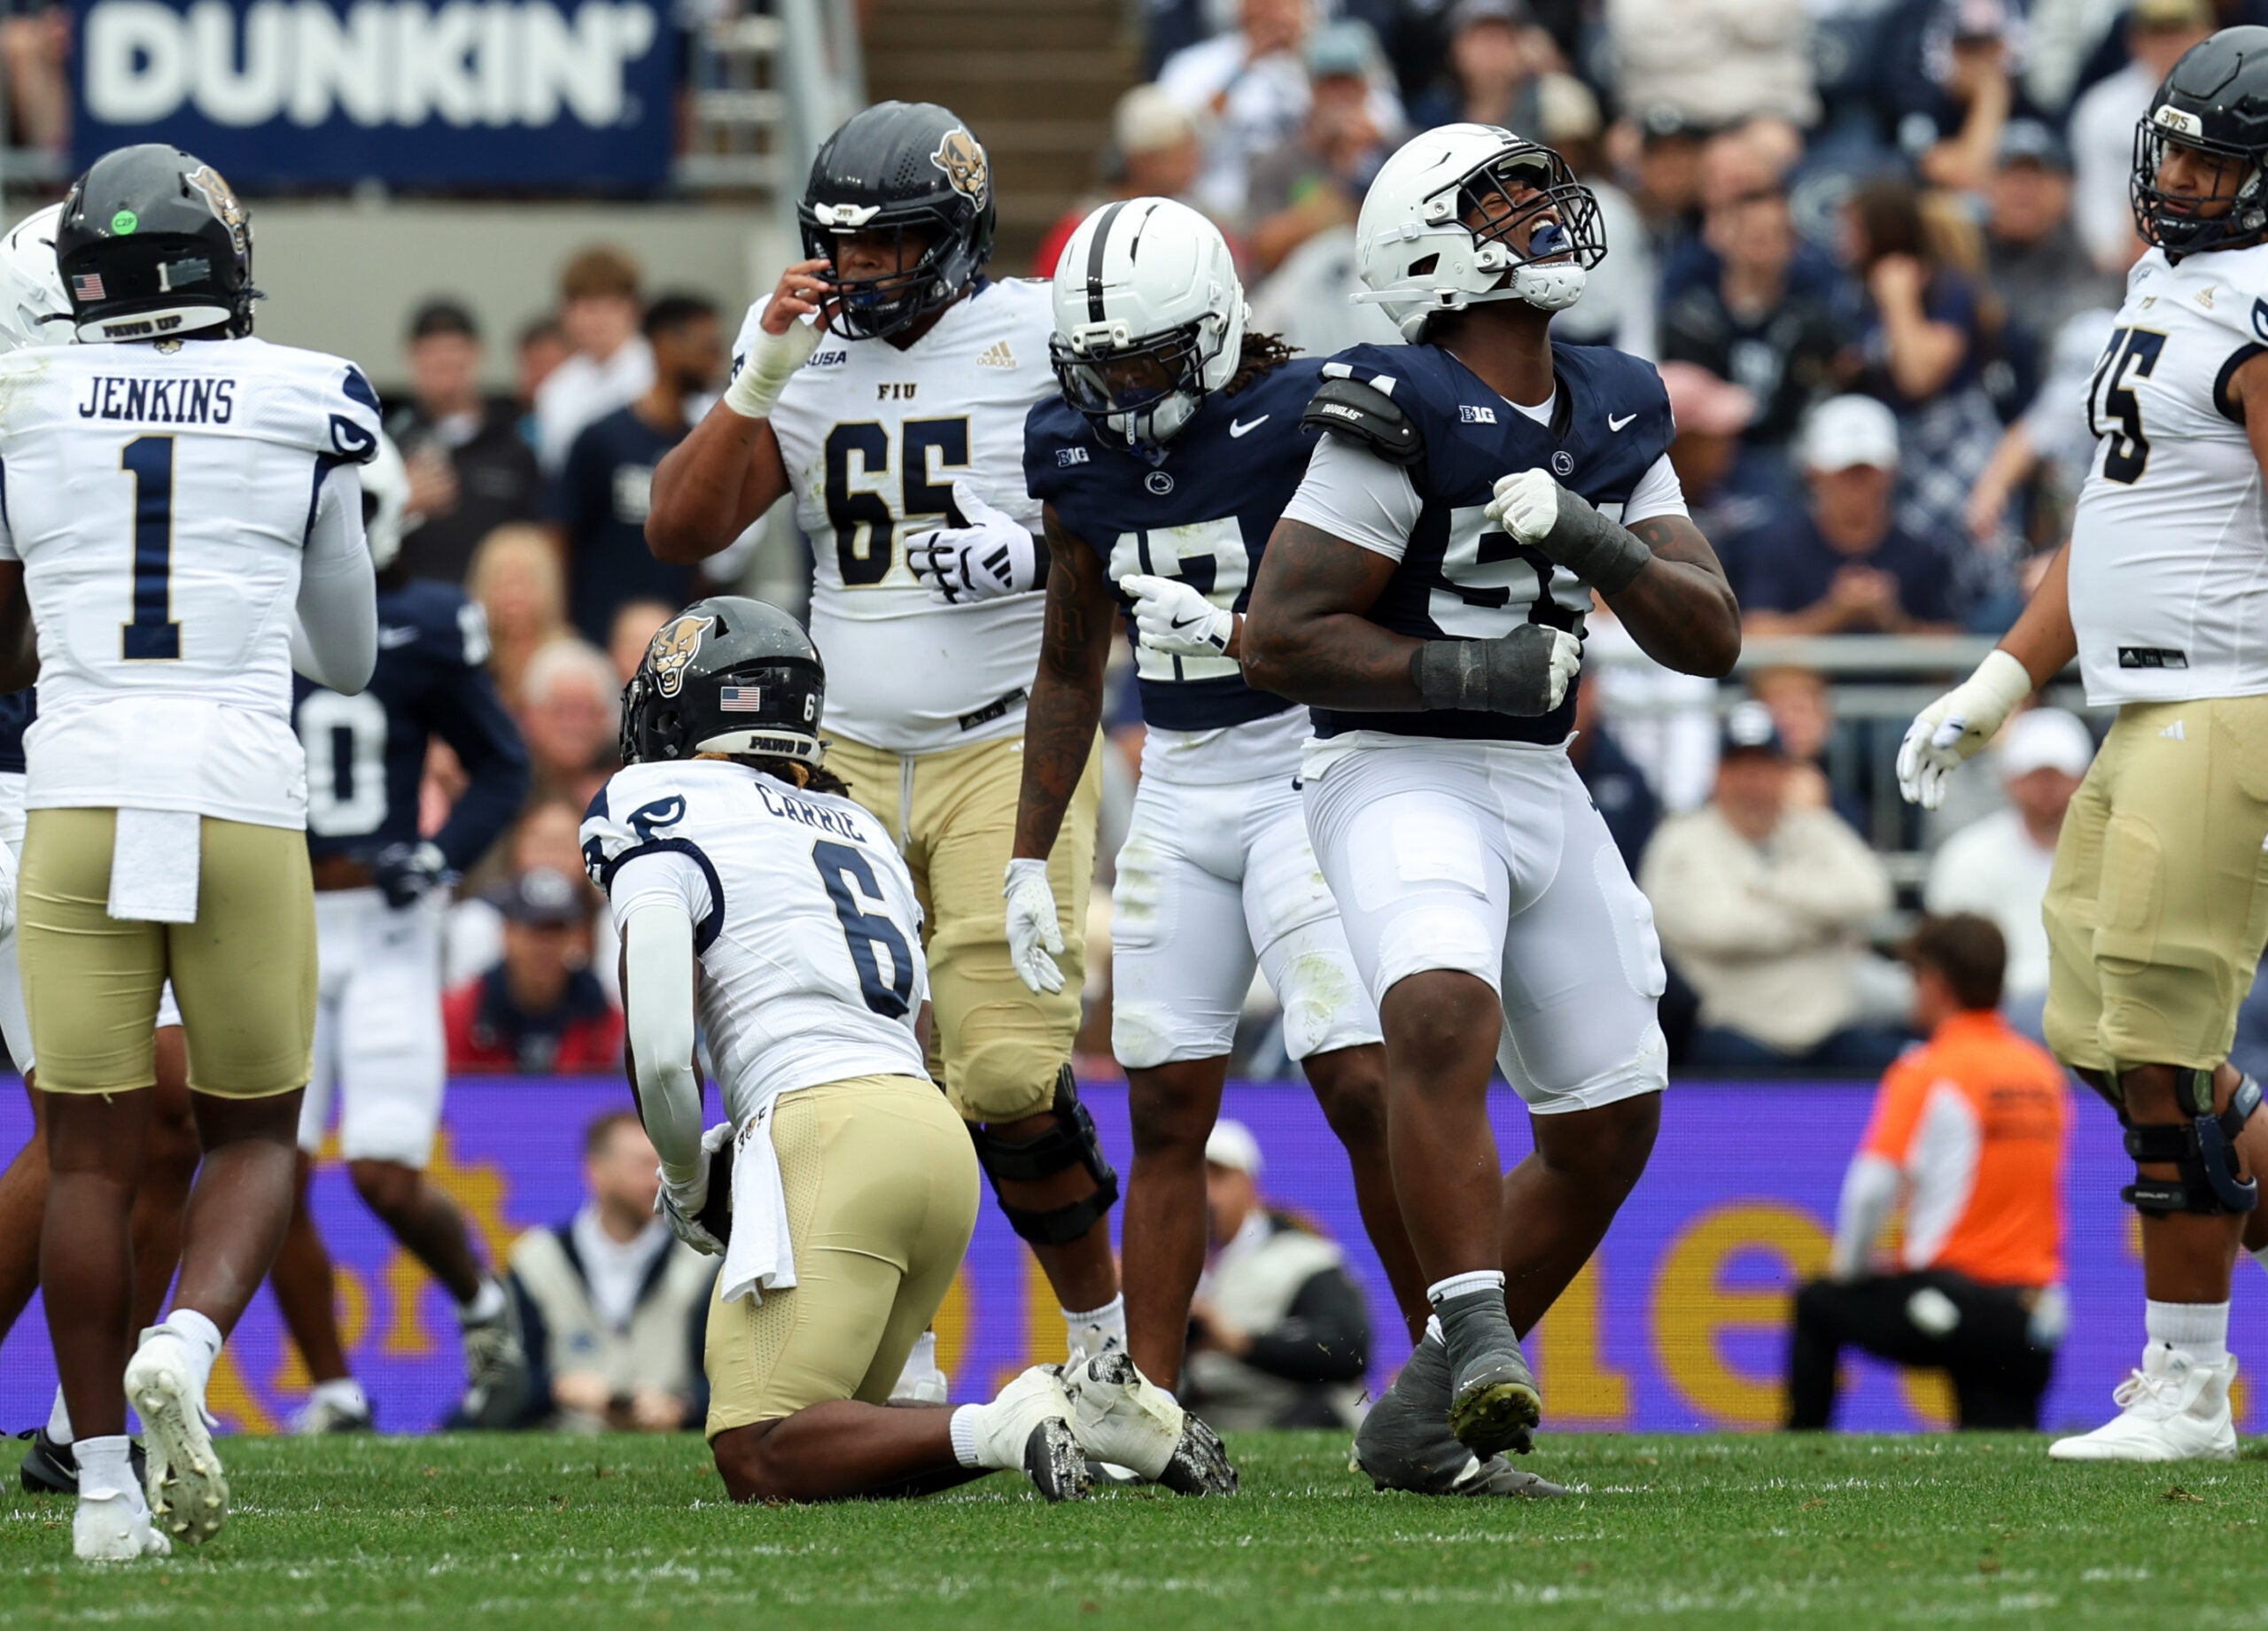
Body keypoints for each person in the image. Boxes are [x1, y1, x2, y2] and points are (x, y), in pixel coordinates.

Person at [1241, 125, 1741, 1476]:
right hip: (1390, 761)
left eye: (1536, 189)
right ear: (1431, 247)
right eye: (1503, 199)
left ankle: (1416, 1410)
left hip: (1535, 774)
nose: (1540, 212)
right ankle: (1474, 1339)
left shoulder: (1615, 399)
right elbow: (1277, 633)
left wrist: (1591, 533)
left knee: (1612, 1116)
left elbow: (1709, 631)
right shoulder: (1398, 399)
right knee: (1440, 1004)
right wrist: (1468, 662)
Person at [645, 104, 1127, 1372]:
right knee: (831, 1074)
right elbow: (679, 528)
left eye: (890, 246)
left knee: (1010, 1081)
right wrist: (755, 370)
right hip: (836, 764)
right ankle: (898, 1358)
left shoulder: (1035, 334)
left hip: (1001, 747)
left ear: (956, 237)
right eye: (843, 248)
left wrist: (1040, 555)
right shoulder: (801, 361)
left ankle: (1101, 1347)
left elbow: (1155, 508)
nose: (860, 272)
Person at [584, 595, 1233, 1501]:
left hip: (826, 1129)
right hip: (930, 1138)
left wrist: (689, 1182)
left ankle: (1012, 1413)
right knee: (860, 1432)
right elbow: (920, 1028)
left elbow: (658, 1046)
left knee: (758, 1447)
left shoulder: (653, 796)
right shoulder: (858, 829)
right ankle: (1091, 1407)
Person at [1006, 198, 1451, 1469]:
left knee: (1360, 1084)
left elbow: (1404, 586)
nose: (1121, 393)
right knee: (1162, 1112)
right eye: (1099, 370)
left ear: (1210, 333)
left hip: (1312, 757)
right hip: (1186, 779)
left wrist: (1264, 631)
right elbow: (1070, 665)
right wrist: (1030, 853)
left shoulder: (1313, 412)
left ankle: (1446, 1368)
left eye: (1144, 364)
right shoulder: (1073, 447)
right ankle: (1143, 1409)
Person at [0, 145, 380, 1560]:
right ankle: (191, 1345)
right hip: (232, 781)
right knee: (255, 1129)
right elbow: (343, 657)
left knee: (83, 1157)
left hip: (78, 785)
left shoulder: (23, 393)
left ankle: (99, 1490)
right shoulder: (309, 394)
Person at [1899, 25, 2268, 1462]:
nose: (2175, 176)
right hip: (2143, 704)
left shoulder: (2252, 307)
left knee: (2167, 1047)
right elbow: (2107, 532)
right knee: (2100, 1030)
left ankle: (2187, 1384)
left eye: (2208, 158)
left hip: (2230, 699)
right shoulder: (2165, 283)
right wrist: (2000, 679)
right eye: (2168, 148)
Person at [268, 433, 533, 1436]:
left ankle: (481, 1300)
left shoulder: (426, 619)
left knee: (381, 1169)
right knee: (272, 1168)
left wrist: (437, 853)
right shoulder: (262, 613)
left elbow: (500, 766)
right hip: (284, 918)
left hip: (384, 925)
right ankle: (335, 1387)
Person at [0, 203, 199, 1502]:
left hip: (82, 784)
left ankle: (92, 1426)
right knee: (116, 1110)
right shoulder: (32, 421)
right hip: (33, 785)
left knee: (158, 1113)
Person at [1786, 914, 2070, 1432]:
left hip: (1948, 1310)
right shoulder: (2041, 1071)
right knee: (2000, 1459)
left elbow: (1871, 1190)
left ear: (1935, 983)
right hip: (2031, 1315)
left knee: (1818, 1304)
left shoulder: (1928, 1069)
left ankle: (1798, 1446)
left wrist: (1848, 1269)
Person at [1642, 703, 1899, 1072]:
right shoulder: (1680, 840)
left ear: (1785, 774)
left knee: (1902, 1060)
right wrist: (1822, 925)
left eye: (1764, 768)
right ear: (1716, 774)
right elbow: (1721, 929)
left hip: (1830, 1033)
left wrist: (1765, 889)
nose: (1752, 782)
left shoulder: (1812, 826)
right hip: (1734, 1035)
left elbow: (1870, 896)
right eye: (1740, 768)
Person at [503, 1112, 713, 1433]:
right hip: (563, 1443)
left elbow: (728, 1377)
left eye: (665, 1167)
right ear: (596, 1172)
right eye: (643, 1166)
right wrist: (558, 1389)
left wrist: (683, 1408)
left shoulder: (704, 1259)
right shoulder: (536, 1259)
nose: (658, 1180)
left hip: (668, 1439)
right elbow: (503, 1381)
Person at [554, 292, 727, 645]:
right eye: (706, 346)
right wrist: (561, 626)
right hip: (598, 637)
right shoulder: (602, 437)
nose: (716, 360)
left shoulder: (704, 444)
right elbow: (558, 534)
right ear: (664, 344)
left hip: (681, 644)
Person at [1181, 1120, 1371, 1432]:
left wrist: (1240, 1342)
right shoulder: (1163, 1266)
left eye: (1217, 1176)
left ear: (1250, 1187)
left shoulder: (1305, 1256)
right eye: (1192, 1178)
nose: (1204, 1192)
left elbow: (1349, 1348)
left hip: (1285, 1412)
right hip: (1206, 1414)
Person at [1925, 709, 2095, 1037]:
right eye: (2035, 775)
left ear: (2083, 779)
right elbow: (1956, 962)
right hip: (1997, 1015)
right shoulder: (1967, 857)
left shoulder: (2118, 855)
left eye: (2059, 774)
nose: (2047, 788)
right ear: (2009, 780)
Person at [1740, 397, 1960, 636]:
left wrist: (1892, 619)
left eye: (1867, 471)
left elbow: (1949, 652)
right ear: (1814, 473)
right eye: (1844, 472)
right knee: (1787, 676)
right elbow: (1754, 639)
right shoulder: (1778, 546)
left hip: (1893, 674)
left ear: (1891, 473)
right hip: (1804, 670)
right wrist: (1834, 613)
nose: (1857, 484)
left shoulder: (1924, 552)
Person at [384, 299, 543, 587]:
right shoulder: (387, 447)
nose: (444, 365)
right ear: (412, 357)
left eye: (454, 354)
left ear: (477, 354)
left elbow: (536, 543)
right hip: (408, 608)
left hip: (495, 612)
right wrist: (398, 502)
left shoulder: (514, 448)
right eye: (432, 356)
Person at [2070, 0, 2218, 275]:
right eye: (2157, 33)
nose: (2169, 44)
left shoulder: (2231, 106)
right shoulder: (2101, 106)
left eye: (2179, 31)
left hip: (2210, 250)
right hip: (2118, 262)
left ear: (2207, 35)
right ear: (2135, 40)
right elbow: (2093, 194)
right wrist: (2117, 251)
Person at [444, 867, 623, 1074]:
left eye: (557, 931)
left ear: (577, 938)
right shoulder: (460, 1015)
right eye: (534, 930)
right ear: (507, 933)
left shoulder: (604, 1020)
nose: (545, 946)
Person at [1033, 85, 1205, 277]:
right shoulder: (1082, 232)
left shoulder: (1202, 217)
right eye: (1180, 154)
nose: (1193, 161)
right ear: (1141, 160)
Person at [532, 245, 653, 475]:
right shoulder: (556, 390)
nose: (597, 319)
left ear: (635, 308)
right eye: (587, 307)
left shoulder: (662, 375)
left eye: (611, 306)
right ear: (566, 313)